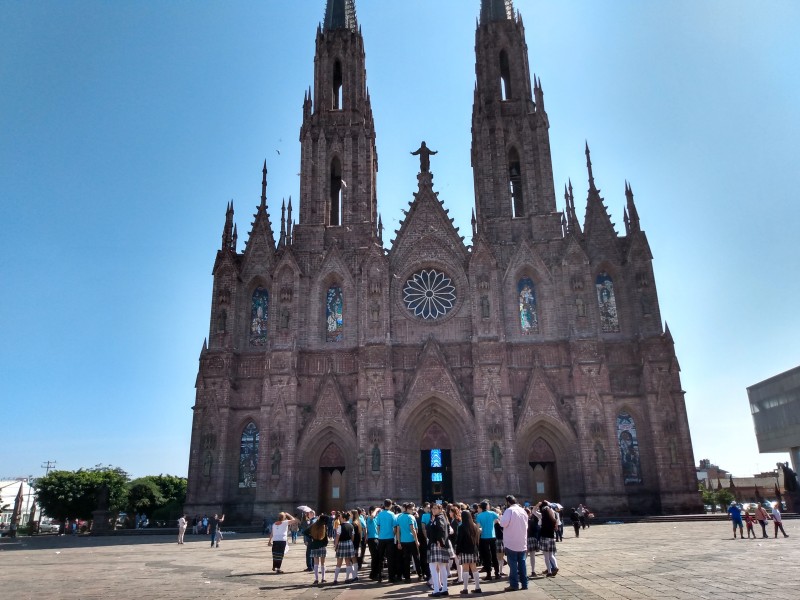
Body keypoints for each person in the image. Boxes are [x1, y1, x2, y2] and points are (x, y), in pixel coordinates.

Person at [499, 495, 529, 592]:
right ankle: (525, 583)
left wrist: (500, 517)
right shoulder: (523, 510)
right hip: (522, 541)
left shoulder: (509, 511)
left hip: (511, 541)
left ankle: (514, 584)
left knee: (513, 565)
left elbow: (503, 524)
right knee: (522, 564)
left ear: (508, 502)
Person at [426, 502, 451, 597]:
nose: (433, 510)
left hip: (436, 545)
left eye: (436, 508)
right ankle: (444, 589)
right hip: (441, 545)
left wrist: (439, 540)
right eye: (432, 508)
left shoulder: (439, 518)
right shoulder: (441, 517)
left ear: (440, 509)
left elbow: (441, 529)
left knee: (433, 568)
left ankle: (436, 590)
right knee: (442, 568)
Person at [455, 509, 482, 595]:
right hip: (473, 550)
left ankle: (465, 588)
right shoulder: (474, 526)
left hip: (464, 550)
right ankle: (478, 587)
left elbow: (459, 541)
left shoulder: (461, 527)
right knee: (474, 568)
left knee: (465, 569)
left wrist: (457, 551)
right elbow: (477, 539)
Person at [374, 499, 398, 583]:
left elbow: (378, 527)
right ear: (390, 505)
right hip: (390, 538)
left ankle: (380, 576)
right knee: (390, 558)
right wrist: (393, 534)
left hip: (381, 538)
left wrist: (380, 534)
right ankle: (391, 577)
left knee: (380, 558)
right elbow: (395, 527)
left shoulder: (380, 514)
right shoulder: (392, 515)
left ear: (384, 505)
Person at [397, 503, 422, 582]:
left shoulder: (399, 517)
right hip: (411, 540)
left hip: (403, 541)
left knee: (406, 560)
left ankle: (407, 577)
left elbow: (398, 531)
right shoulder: (411, 517)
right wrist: (417, 540)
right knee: (416, 558)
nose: (413, 511)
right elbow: (413, 529)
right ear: (408, 509)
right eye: (412, 509)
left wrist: (399, 542)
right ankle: (420, 574)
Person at [476, 501, 500, 580]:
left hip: (484, 537)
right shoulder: (492, 513)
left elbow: (478, 528)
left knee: (487, 556)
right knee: (494, 555)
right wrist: (492, 523)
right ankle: (497, 573)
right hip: (492, 536)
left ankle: (489, 574)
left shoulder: (479, 516)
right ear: (486, 506)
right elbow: (498, 518)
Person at [332, 511, 357, 584]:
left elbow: (337, 537)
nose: (339, 518)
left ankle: (335, 580)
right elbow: (353, 536)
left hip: (341, 544)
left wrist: (336, 546)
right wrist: (350, 543)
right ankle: (347, 579)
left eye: (340, 517)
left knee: (339, 562)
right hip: (349, 543)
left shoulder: (340, 526)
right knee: (348, 562)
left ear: (343, 518)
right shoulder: (351, 526)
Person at [538, 501, 559, 577]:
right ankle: (556, 567)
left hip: (544, 537)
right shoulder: (553, 518)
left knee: (546, 557)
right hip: (551, 537)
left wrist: (538, 505)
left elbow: (533, 511)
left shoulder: (542, 516)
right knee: (551, 555)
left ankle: (549, 571)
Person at [308, 514, 329, 585]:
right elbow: (326, 538)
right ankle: (323, 578)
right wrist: (326, 543)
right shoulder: (324, 527)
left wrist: (311, 537)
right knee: (323, 563)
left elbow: (304, 532)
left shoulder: (313, 525)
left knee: (316, 564)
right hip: (322, 546)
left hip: (314, 546)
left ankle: (316, 579)